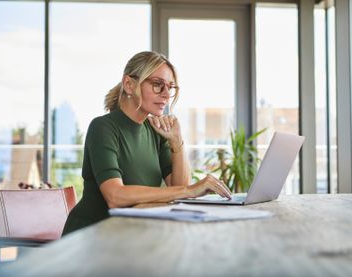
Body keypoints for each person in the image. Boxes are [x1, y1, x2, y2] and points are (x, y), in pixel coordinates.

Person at [62, 51, 231, 235]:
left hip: (133, 232)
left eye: (170, 87)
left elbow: (178, 187)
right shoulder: (103, 127)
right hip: (92, 235)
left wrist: (176, 141)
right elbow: (115, 196)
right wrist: (189, 190)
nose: (166, 94)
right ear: (129, 84)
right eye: (158, 85)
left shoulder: (155, 130)